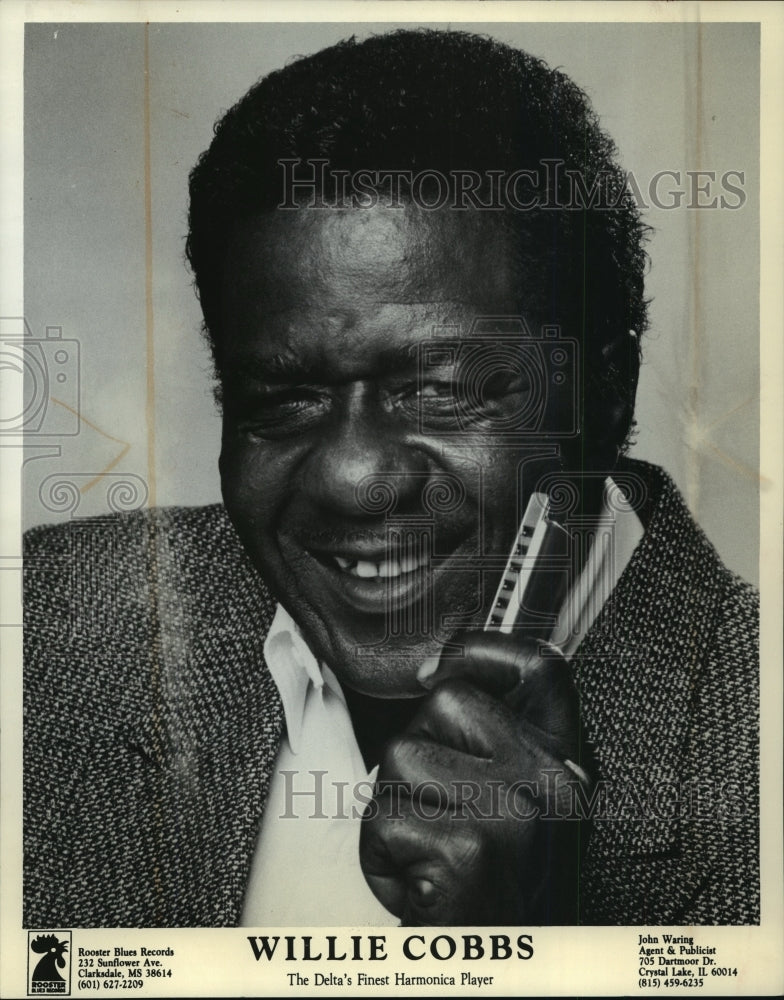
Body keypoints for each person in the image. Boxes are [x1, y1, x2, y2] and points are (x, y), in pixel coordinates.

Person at [23, 28, 758, 928]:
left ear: (604, 393)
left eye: (440, 390)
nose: (352, 478)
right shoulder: (47, 631)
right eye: (284, 400)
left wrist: (528, 955)